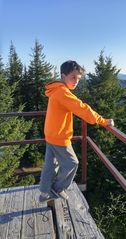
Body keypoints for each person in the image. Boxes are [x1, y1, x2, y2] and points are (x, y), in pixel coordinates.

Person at [39, 60, 114, 202]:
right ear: (63, 75)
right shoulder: (62, 92)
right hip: (59, 136)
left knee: (51, 164)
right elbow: (82, 108)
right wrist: (103, 121)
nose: (76, 81)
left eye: (78, 79)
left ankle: (44, 192)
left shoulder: (55, 90)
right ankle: (57, 189)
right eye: (73, 77)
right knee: (72, 163)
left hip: (51, 134)